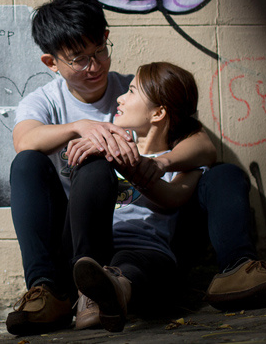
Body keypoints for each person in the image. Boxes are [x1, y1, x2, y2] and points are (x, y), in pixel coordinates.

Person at [5, 0, 266, 336]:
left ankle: (237, 269)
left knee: (224, 174)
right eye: (79, 59)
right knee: (31, 164)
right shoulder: (44, 102)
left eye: (99, 51)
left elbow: (203, 146)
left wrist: (157, 165)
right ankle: (48, 290)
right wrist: (80, 128)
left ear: (106, 37)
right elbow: (24, 140)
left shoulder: (137, 92)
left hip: (149, 240)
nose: (94, 66)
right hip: (80, 238)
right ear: (52, 63)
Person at [68, 61, 205, 332]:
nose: (120, 98)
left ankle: (112, 293)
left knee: (133, 265)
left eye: (131, 91)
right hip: (96, 249)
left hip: (147, 254)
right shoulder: (107, 147)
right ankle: (90, 294)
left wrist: (131, 167)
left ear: (158, 113)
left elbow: (174, 197)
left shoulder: (182, 162)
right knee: (92, 166)